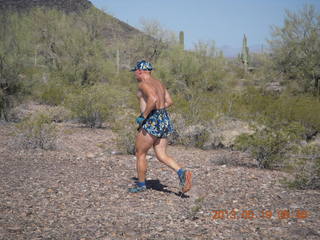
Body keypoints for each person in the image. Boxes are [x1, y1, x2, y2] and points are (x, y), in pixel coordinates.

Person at [128, 60, 192, 193]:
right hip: (164, 119)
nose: (134, 74)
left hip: (152, 120)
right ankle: (181, 172)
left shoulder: (143, 84)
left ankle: (141, 185)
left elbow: (153, 99)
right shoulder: (159, 83)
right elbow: (169, 101)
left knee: (140, 153)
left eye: (135, 71)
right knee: (161, 154)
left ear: (140, 71)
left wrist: (144, 115)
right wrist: (159, 111)